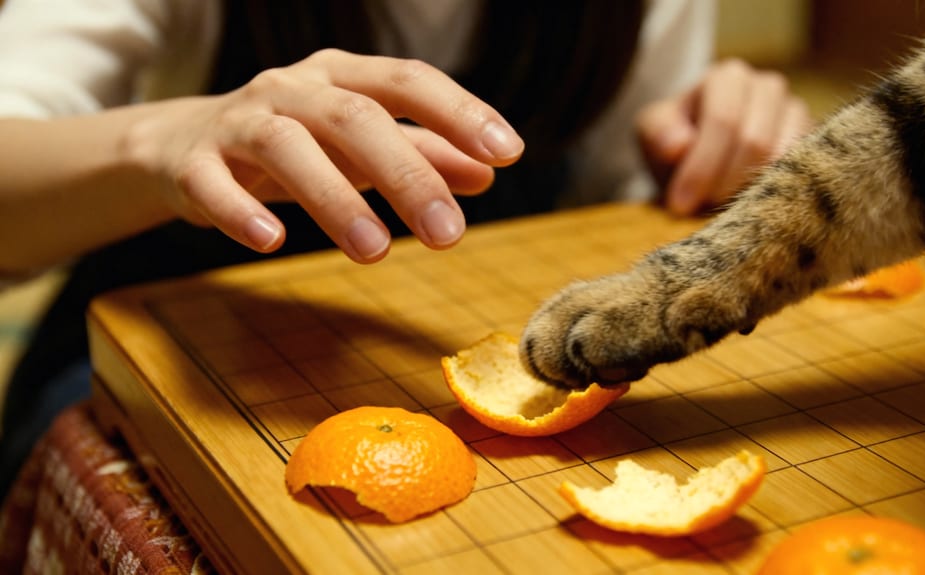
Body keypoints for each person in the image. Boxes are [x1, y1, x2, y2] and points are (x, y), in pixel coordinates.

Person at [0, 0, 810, 503]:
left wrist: (713, 147)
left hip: (467, 322)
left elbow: (620, 191)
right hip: (171, 320)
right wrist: (164, 141)